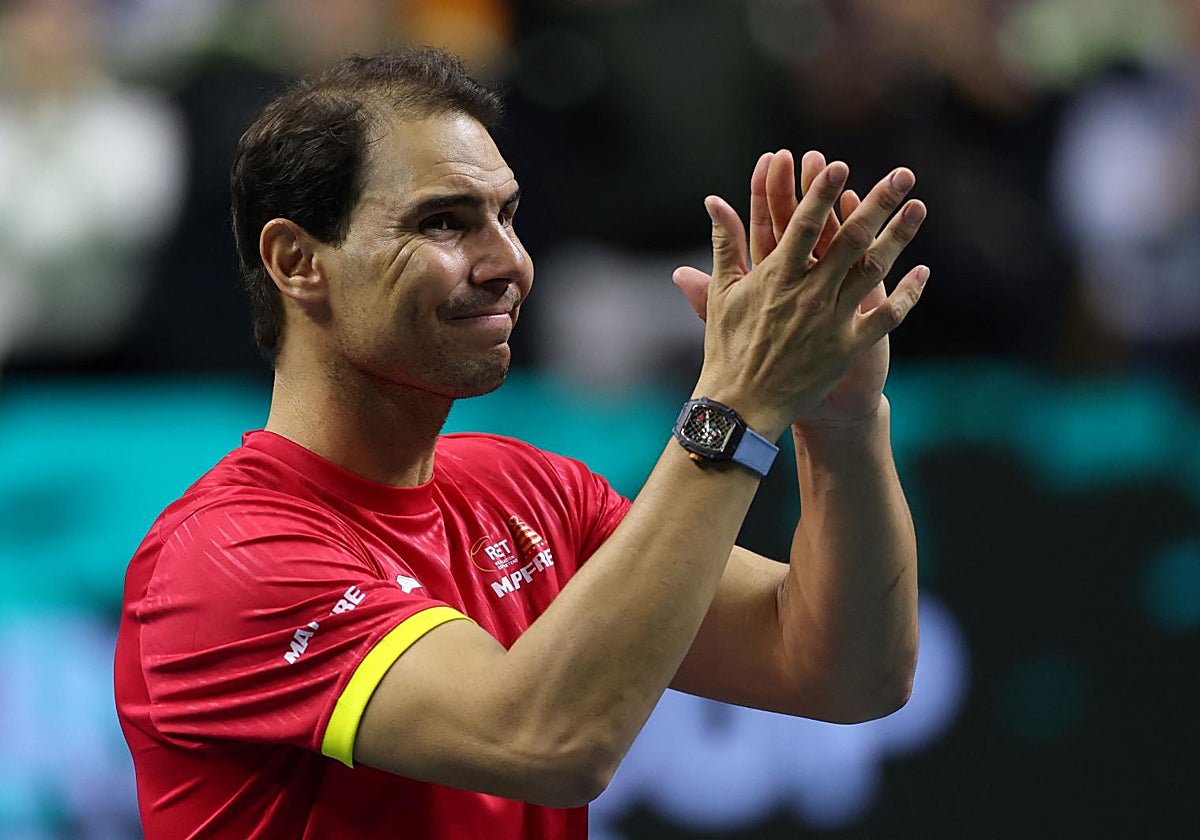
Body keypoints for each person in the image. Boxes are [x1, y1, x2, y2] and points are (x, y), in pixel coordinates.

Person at [113, 47, 929, 839]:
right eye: (444, 222)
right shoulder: (225, 557)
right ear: (297, 262)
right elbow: (547, 741)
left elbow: (846, 671)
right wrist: (739, 403)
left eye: (506, 216)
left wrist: (841, 421)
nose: (509, 262)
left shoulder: (532, 493)